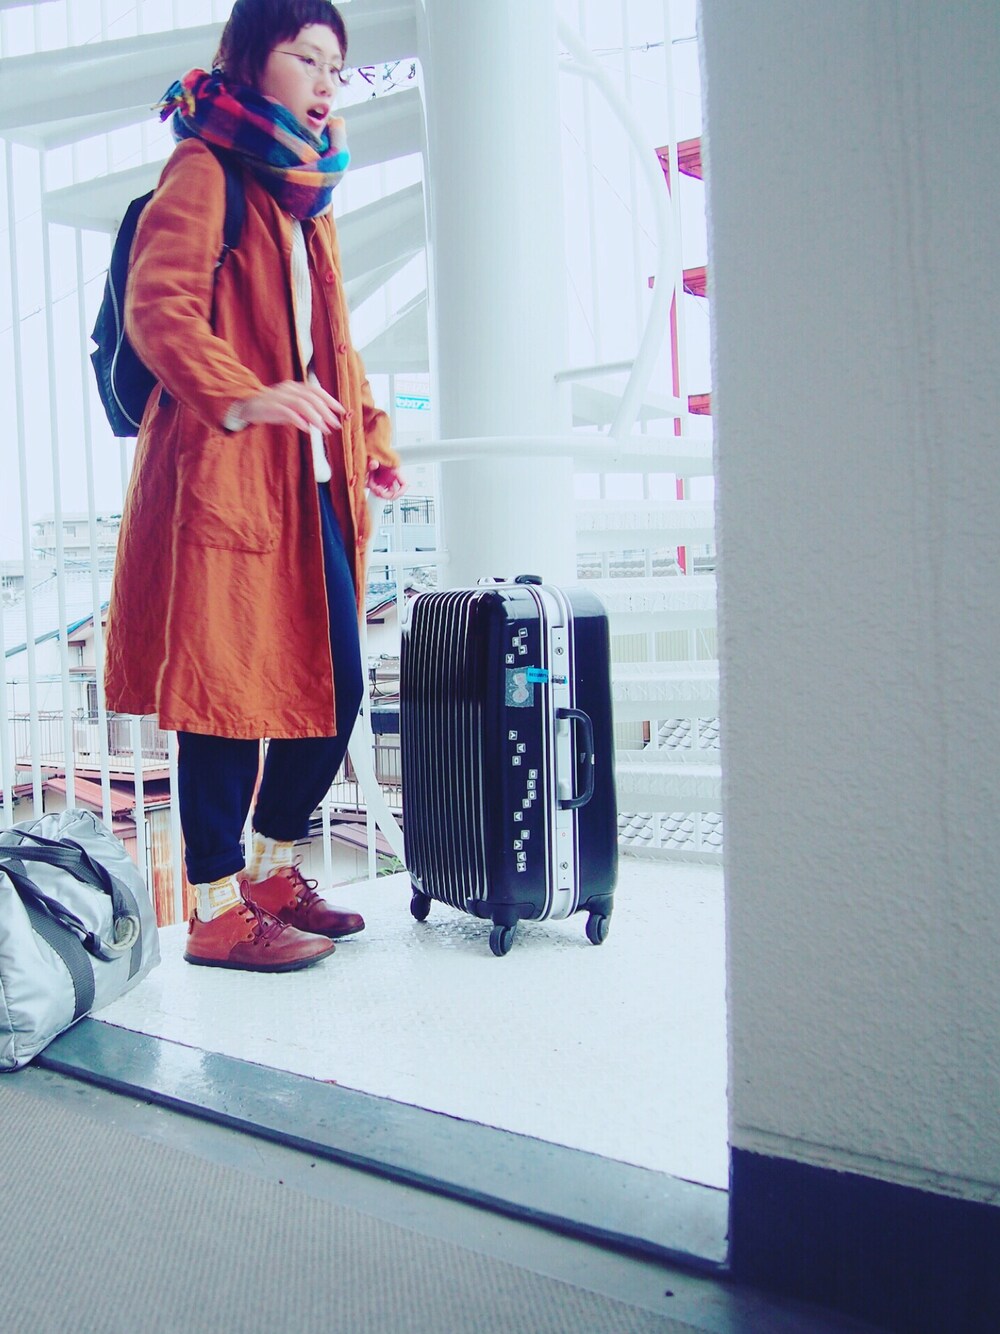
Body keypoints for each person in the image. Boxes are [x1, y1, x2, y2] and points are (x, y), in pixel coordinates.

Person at [104, 0, 404, 973]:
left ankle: (275, 871)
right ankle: (214, 908)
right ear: (249, 59)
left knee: (337, 685)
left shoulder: (304, 196)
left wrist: (369, 434)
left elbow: (332, 349)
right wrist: (244, 393)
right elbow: (159, 308)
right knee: (225, 693)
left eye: (335, 67)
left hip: (308, 480)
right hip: (225, 472)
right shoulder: (206, 168)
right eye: (306, 58)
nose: (325, 82)